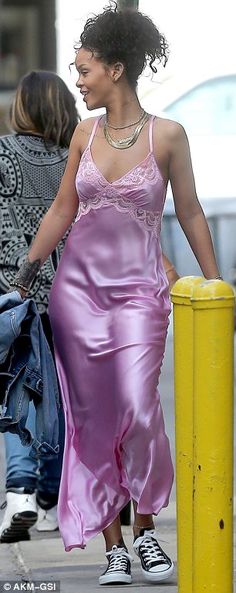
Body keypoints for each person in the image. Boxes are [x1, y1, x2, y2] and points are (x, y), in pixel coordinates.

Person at [9, 3, 221, 586]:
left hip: (140, 295)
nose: (77, 81)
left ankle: (148, 533)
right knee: (94, 420)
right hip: (77, 294)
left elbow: (191, 210)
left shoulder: (168, 136)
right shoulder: (84, 133)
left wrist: (213, 281)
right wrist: (26, 273)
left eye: (84, 70)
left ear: (117, 69)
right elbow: (62, 210)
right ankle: (115, 549)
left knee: (139, 408)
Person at [0, 70, 79, 543]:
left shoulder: (3, 152)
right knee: (62, 392)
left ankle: (21, 490)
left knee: (14, 389)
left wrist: (13, 280)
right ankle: (51, 493)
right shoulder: (76, 155)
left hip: (15, 286)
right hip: (69, 289)